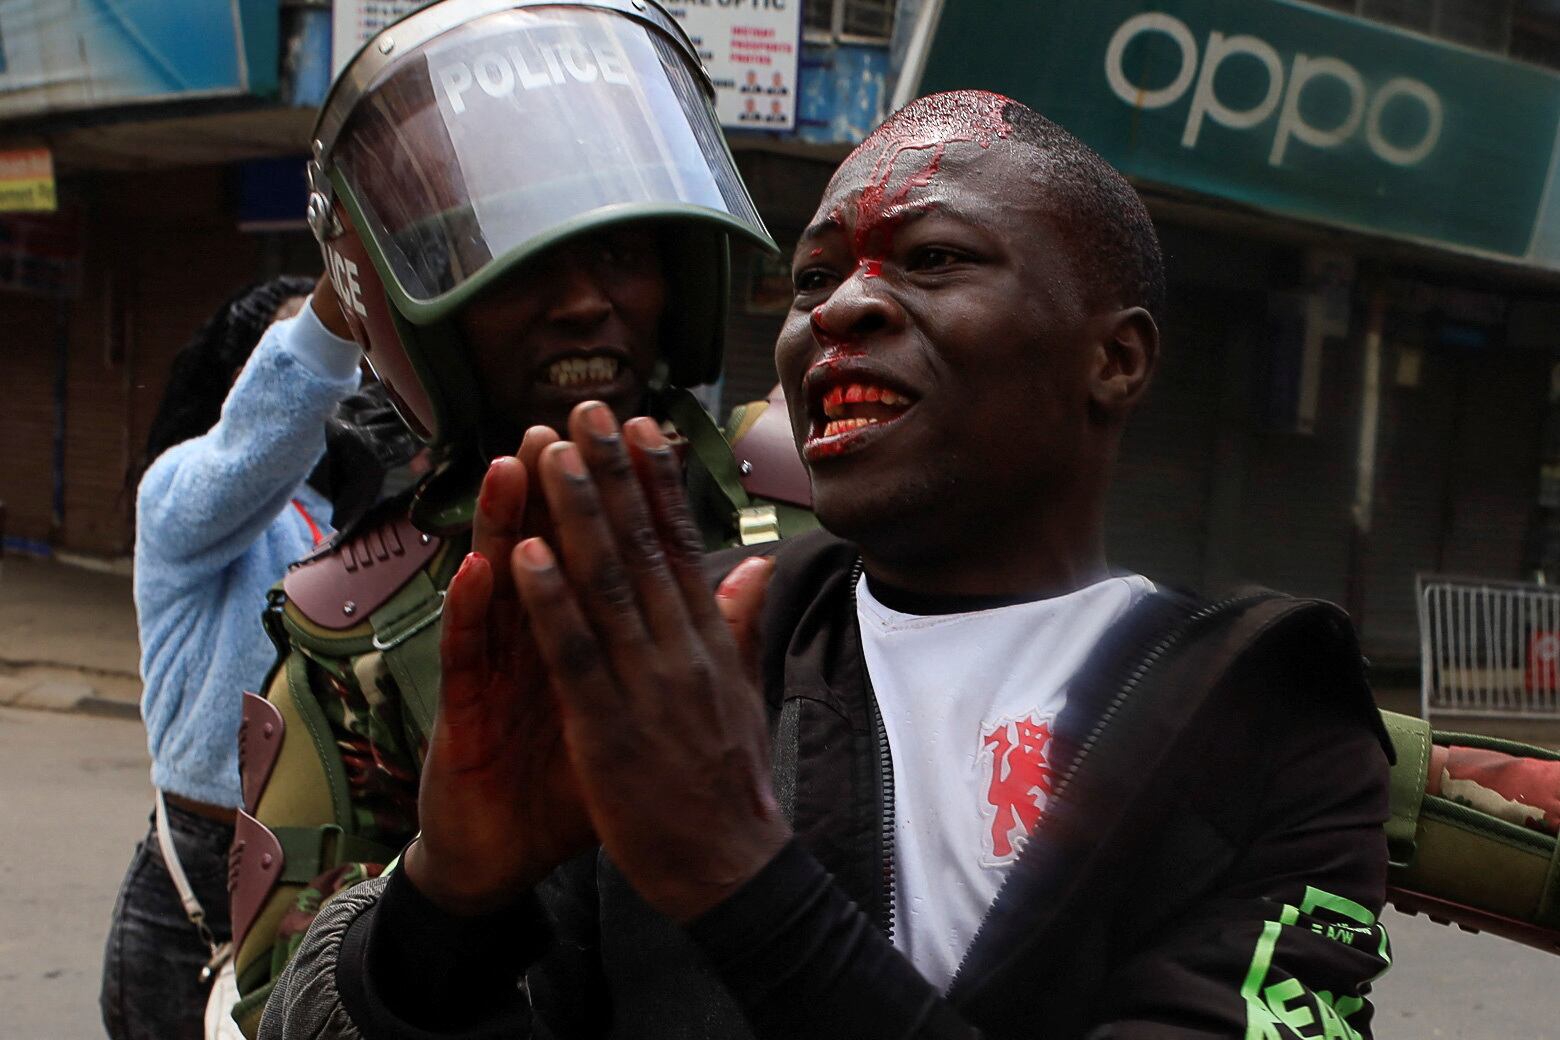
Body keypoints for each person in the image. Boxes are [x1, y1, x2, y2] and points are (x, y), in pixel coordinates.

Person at [259, 91, 1395, 1039]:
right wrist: (447, 903)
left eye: (935, 258)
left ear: (1117, 355)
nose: (843, 306)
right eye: (811, 280)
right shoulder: (681, 659)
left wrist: (738, 878)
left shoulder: (1275, 717)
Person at [223, 3, 810, 1032]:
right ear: (419, 309)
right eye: (524, 264)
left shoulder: (816, 493)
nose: (586, 301)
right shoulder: (355, 630)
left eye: (623, 254)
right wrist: (443, 894)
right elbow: (284, 1007)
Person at [100, 275, 366, 1040]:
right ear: (247, 380)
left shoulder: (361, 521)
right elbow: (259, 441)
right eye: (309, 358)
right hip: (190, 897)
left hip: (322, 891)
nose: (341, 382)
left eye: (359, 358)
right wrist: (335, 307)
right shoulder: (181, 496)